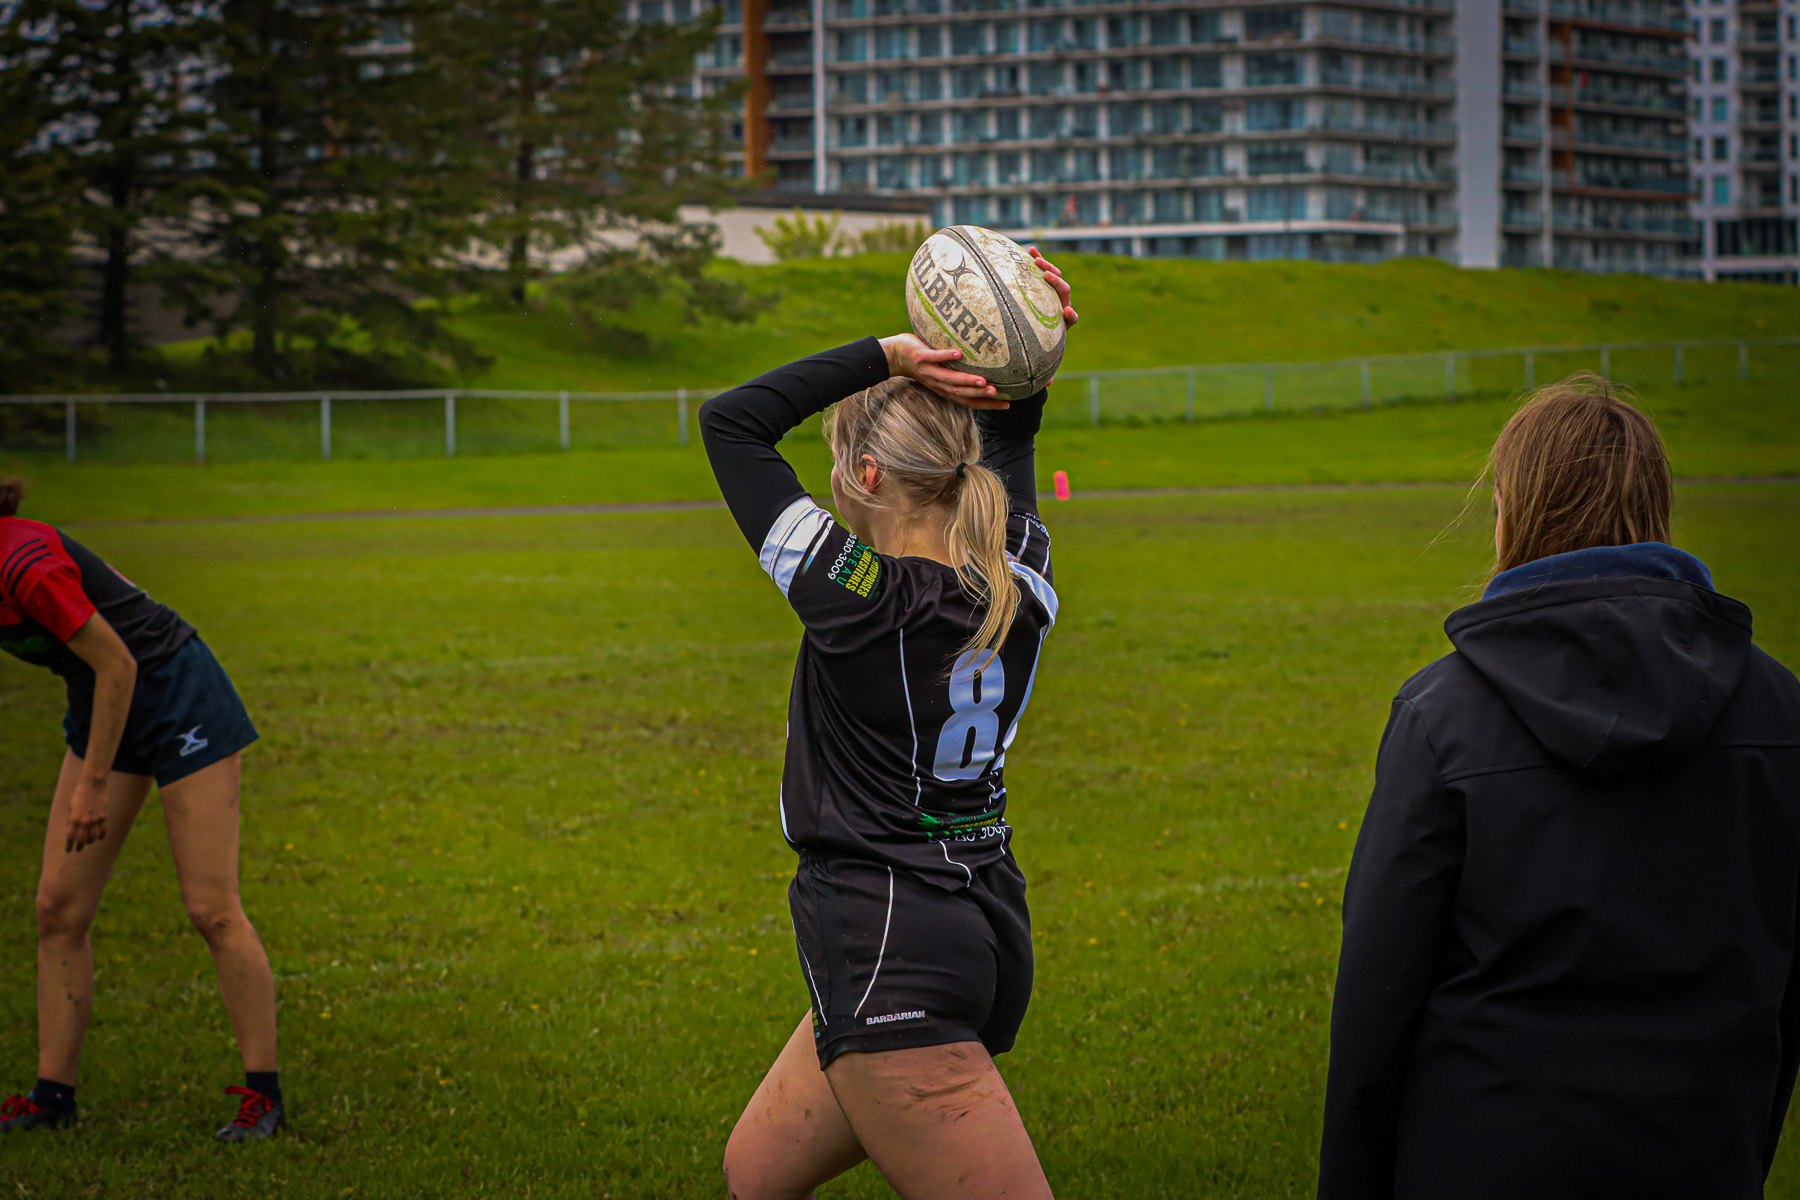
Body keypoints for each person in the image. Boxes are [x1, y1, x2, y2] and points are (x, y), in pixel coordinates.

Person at [1318, 374, 1800, 1199]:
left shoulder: (1444, 714)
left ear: (1516, 511)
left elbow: (1377, 999)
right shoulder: (1780, 708)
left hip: (1480, 1158)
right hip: (1701, 1157)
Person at [698, 252, 1077, 1200]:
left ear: (866, 472)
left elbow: (733, 422)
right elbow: (1015, 441)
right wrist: (1024, 355)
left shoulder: (859, 597)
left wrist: (886, 355)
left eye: (838, 470)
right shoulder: (1019, 576)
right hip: (980, 921)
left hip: (889, 945)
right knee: (757, 1171)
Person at [0, 477, 283, 1142]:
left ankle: (263, 1098)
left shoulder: (22, 562)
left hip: (176, 692)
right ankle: (52, 1097)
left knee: (211, 907)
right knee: (58, 907)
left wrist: (93, 783)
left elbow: (119, 663)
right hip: (104, 702)